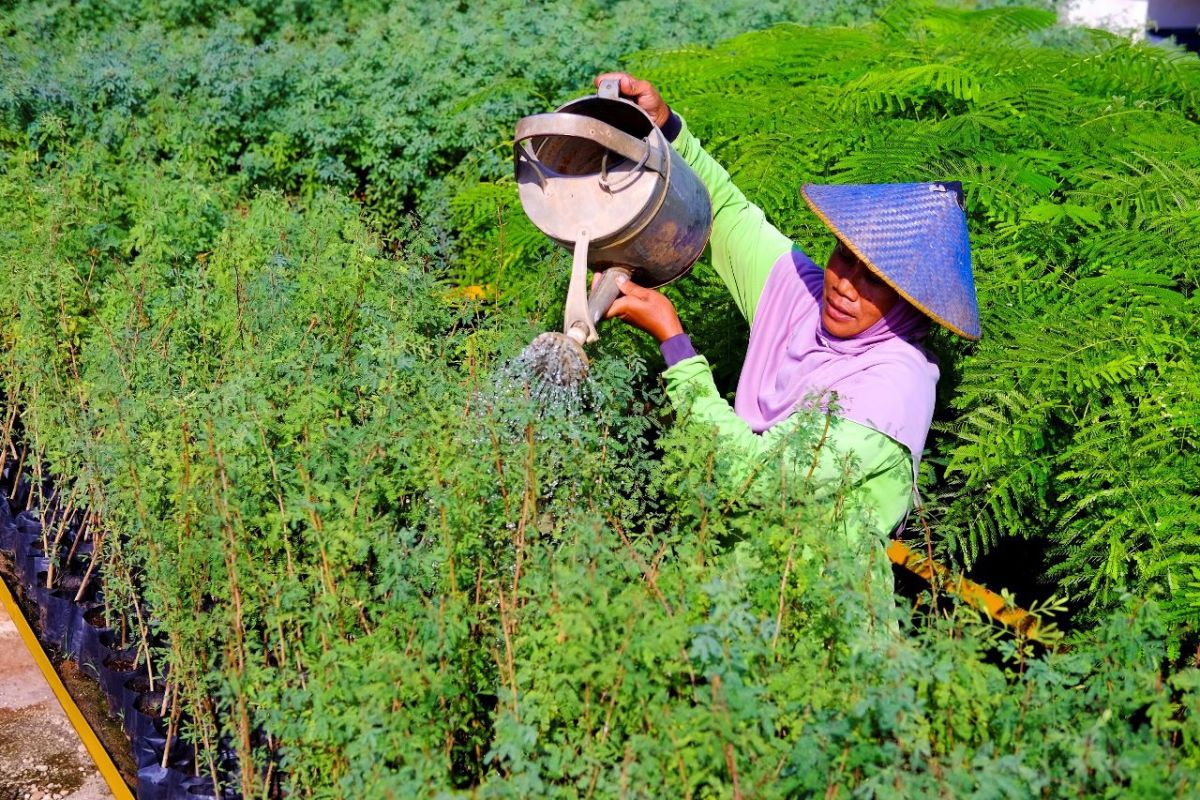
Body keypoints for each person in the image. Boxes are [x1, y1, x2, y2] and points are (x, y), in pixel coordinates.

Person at [593, 72, 980, 578]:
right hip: (730, 585)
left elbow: (751, 478)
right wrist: (667, 131)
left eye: (877, 282)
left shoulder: (892, 389)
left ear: (912, 305)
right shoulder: (802, 297)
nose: (845, 286)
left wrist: (676, 347)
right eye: (846, 258)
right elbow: (726, 212)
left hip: (812, 614)